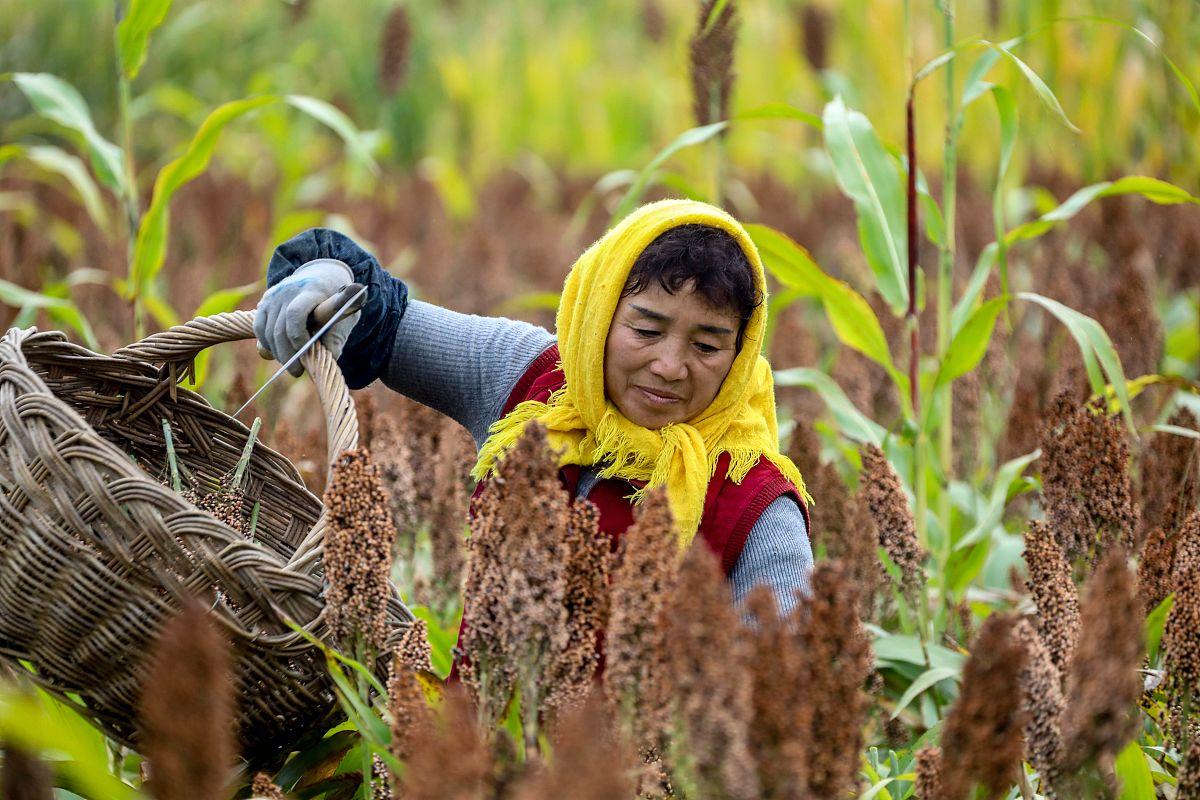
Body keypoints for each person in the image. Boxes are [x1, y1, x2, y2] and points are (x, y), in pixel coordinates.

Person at [254, 198, 814, 619]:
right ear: (598, 316)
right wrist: (330, 284)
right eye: (646, 329)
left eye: (707, 345)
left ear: (741, 354)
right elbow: (383, 323)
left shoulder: (759, 511)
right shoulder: (532, 379)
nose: (670, 366)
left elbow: (773, 724)